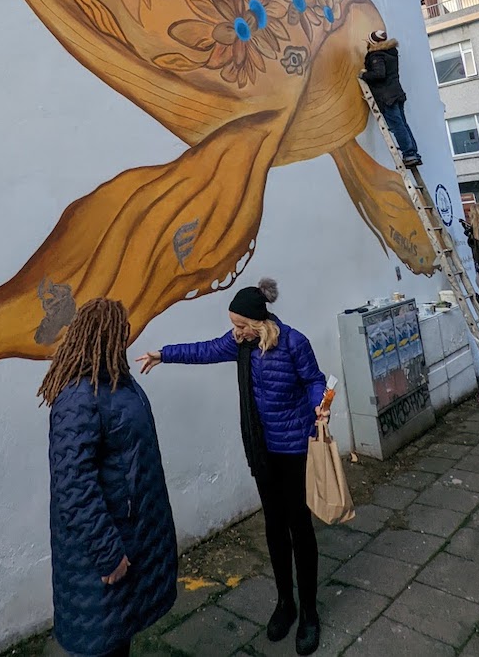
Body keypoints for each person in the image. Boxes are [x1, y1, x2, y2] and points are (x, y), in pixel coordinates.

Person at [137, 279, 326, 656]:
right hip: (262, 451)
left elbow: (314, 381)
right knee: (274, 527)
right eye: (233, 325)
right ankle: (284, 604)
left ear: (260, 322)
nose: (235, 332)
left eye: (240, 325)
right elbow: (205, 350)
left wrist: (320, 403)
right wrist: (164, 354)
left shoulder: (293, 342)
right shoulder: (241, 345)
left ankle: (308, 612)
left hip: (294, 450)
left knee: (299, 527)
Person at [39, 298, 177, 657]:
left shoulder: (116, 383)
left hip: (127, 536)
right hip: (102, 553)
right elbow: (73, 485)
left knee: (118, 638)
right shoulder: (77, 399)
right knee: (102, 644)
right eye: (120, 336)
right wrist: (108, 553)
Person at [359, 29, 421, 167]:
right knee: (403, 124)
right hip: (396, 93)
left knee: (397, 126)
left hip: (386, 97)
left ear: (372, 42)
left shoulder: (376, 55)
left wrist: (364, 75)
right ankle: (412, 153)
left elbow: (379, 74)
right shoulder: (391, 53)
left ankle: (409, 154)